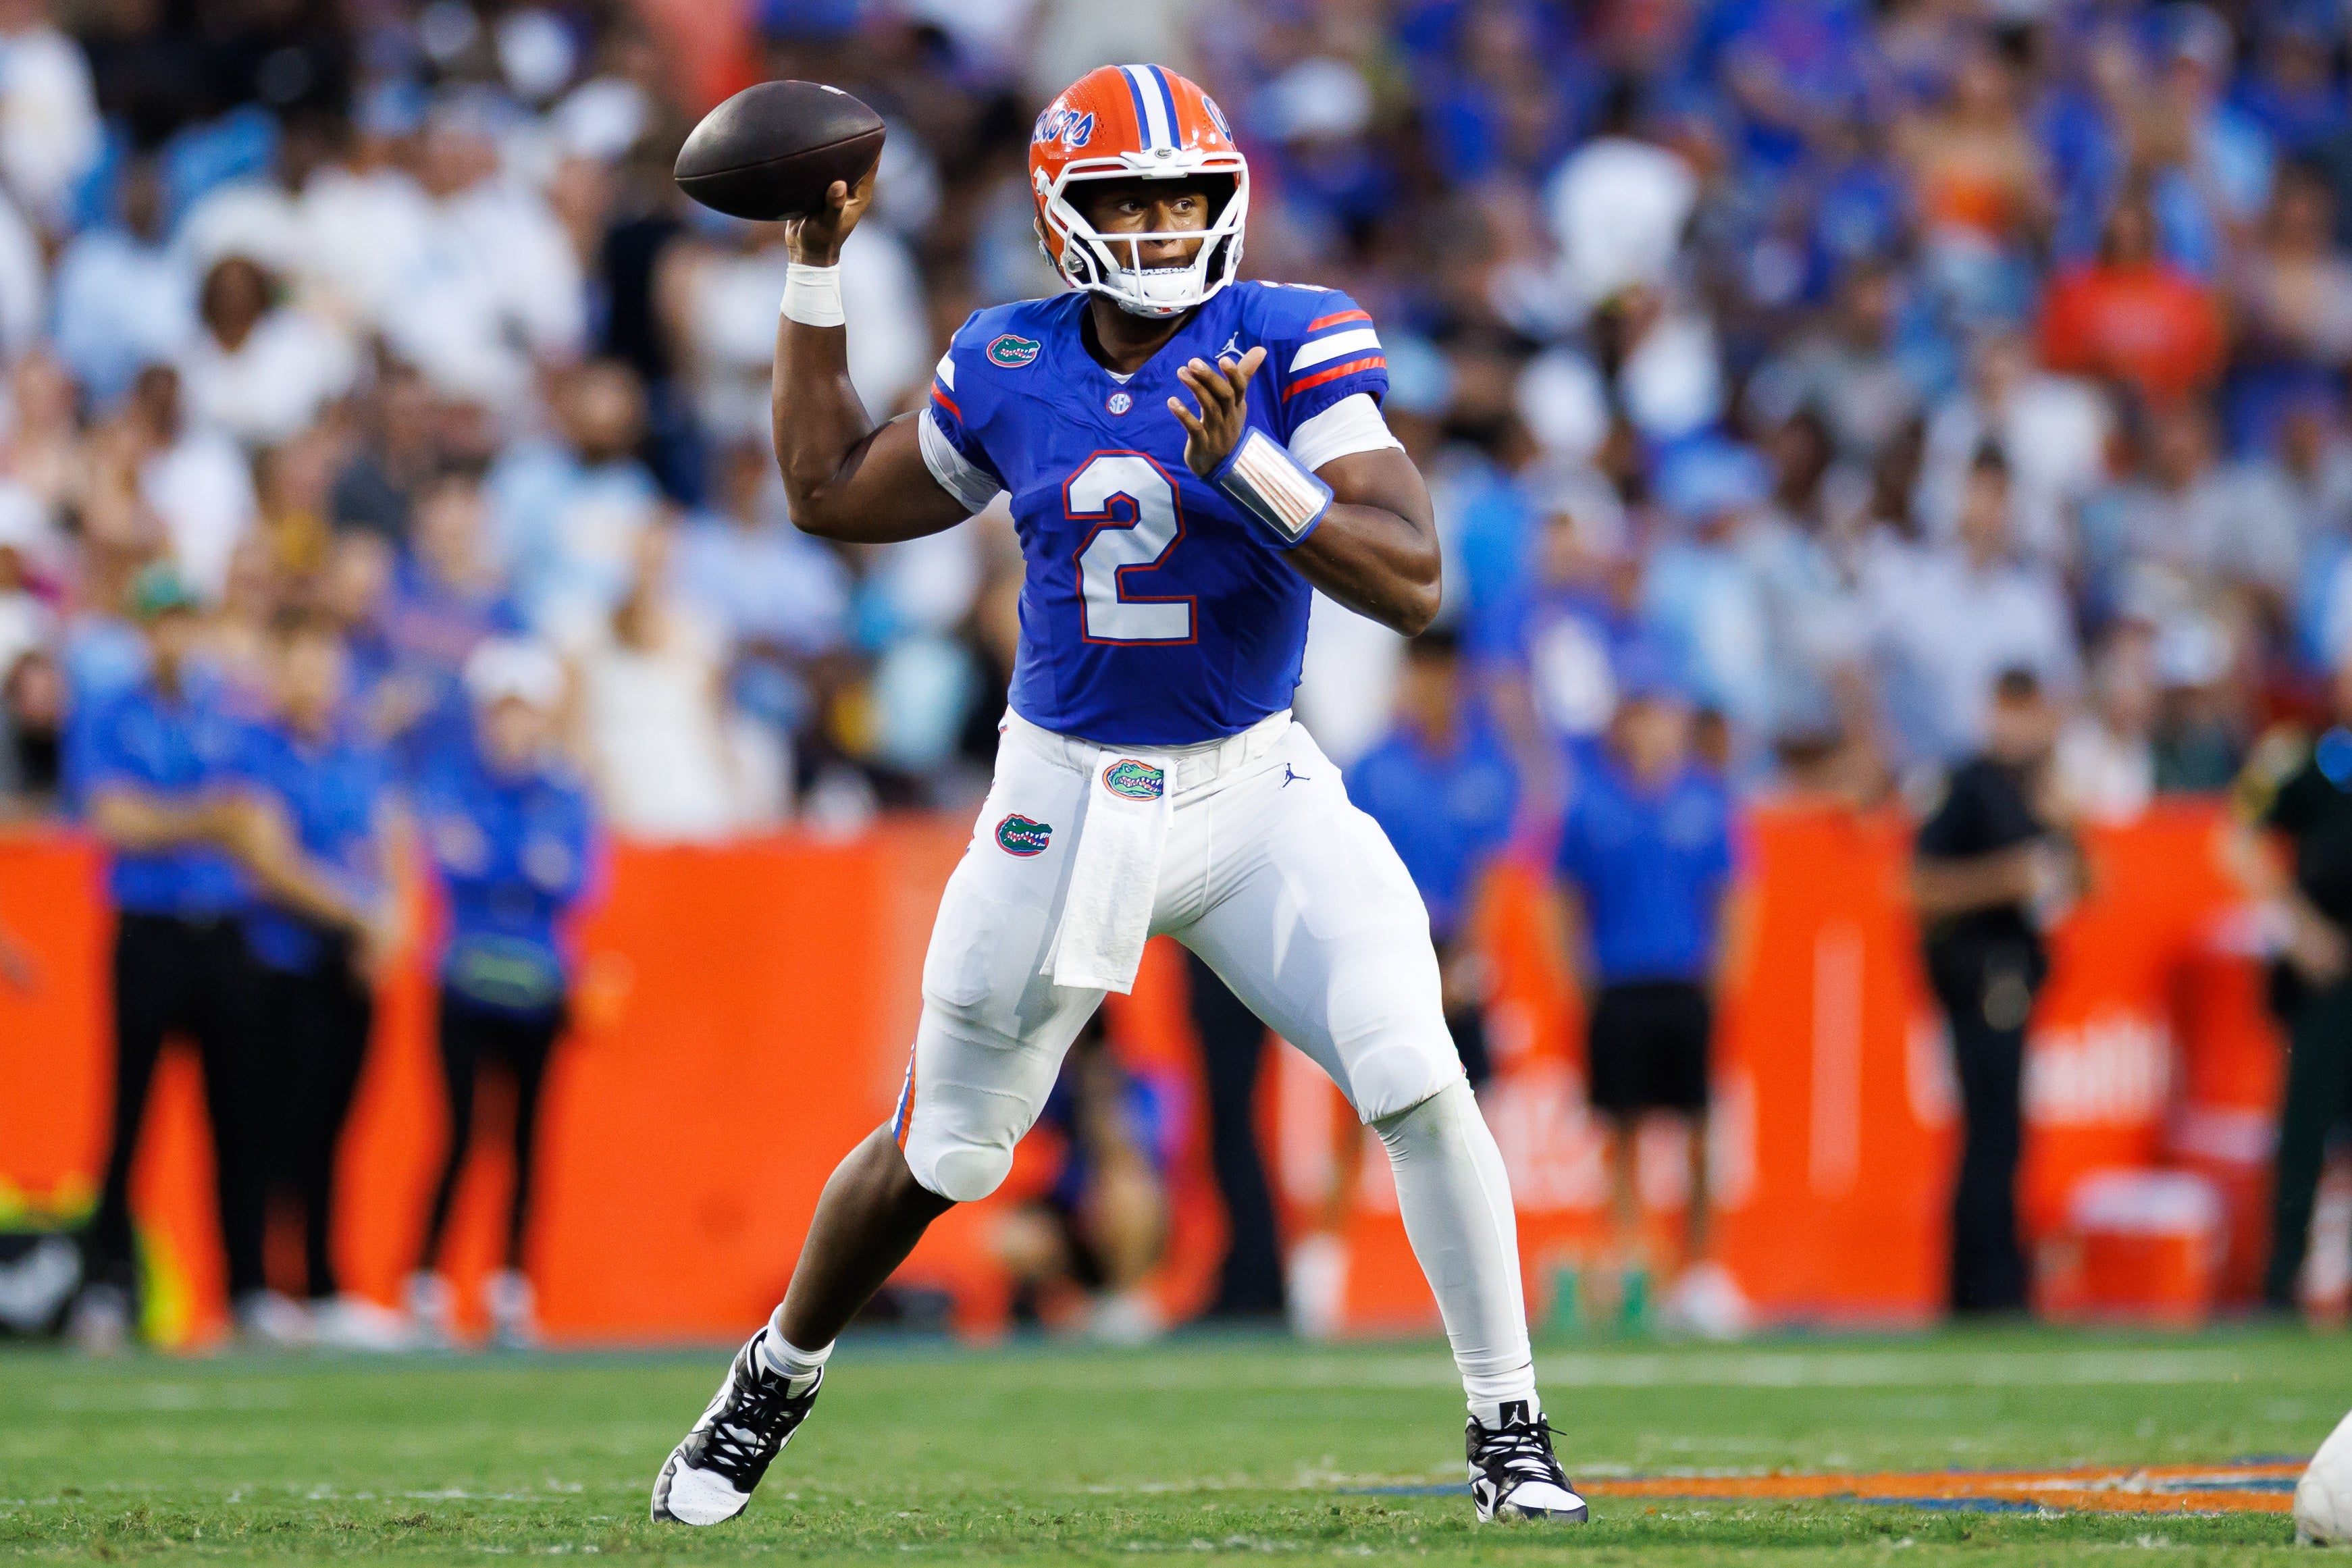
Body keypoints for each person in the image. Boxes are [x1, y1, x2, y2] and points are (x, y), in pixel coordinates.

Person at [651, 64, 1586, 1530]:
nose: (1157, 223)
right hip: (1063, 792)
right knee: (948, 1147)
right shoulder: (1006, 362)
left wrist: (1256, 472)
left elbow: (1412, 579)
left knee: (1414, 1071)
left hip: (1251, 786)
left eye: (1180, 195)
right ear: (1060, 214)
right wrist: (816, 268)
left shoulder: (1290, 336)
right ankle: (774, 1371)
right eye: (1125, 198)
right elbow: (830, 494)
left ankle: (1509, 1431)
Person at [66, 565, 318, 1349]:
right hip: (148, 929)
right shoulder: (111, 712)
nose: (174, 635)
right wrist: (208, 819)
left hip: (223, 929)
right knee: (129, 1114)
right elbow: (116, 820)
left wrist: (179, 818)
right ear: (143, 631)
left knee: (237, 1118)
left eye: (185, 619)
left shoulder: (230, 716)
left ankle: (244, 1286)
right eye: (161, 621)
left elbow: (257, 824)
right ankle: (106, 1284)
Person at [406, 637, 596, 1349]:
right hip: (465, 981)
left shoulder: (562, 793)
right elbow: (455, 867)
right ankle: (426, 1280)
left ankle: (511, 1284)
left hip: (538, 987)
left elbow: (576, 883)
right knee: (458, 1133)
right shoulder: (458, 782)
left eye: (525, 713)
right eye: (502, 713)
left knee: (526, 1141)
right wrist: (523, 869)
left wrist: (496, 864)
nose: (513, 727)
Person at [1552, 657, 1738, 1337]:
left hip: (1684, 983)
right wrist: (1579, 980)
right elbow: (1563, 900)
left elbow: (1732, 897)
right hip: (1620, 984)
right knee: (1623, 1134)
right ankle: (1635, 1268)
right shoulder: (1593, 803)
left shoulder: (1704, 800)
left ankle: (1698, 1273)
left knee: (1697, 1133)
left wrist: (1723, 981)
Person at [236, 612, 408, 1349]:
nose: (315, 678)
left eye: (325, 663)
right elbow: (269, 860)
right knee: (276, 1127)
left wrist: (392, 923)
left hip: (349, 963)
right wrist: (361, 913)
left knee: (334, 1127)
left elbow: (393, 840)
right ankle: (259, 1285)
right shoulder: (257, 751)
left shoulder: (357, 752)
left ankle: (321, 1281)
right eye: (301, 663)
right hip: (283, 960)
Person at [1911, 667, 2078, 1315]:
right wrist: (2004, 879)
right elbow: (1918, 884)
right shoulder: (1967, 786)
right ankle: (1979, 1290)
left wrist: (2069, 828)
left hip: (2021, 977)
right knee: (1986, 1135)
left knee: (2006, 1136)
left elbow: (2086, 884)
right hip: (1975, 974)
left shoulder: (2039, 791)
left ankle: (2004, 1282)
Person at [1349, 628, 1521, 1086]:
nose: (1431, 687)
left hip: (1455, 944)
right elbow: (1354, 872)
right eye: (1421, 672)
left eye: (1442, 673)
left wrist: (1464, 963)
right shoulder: (1372, 769)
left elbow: (1490, 875)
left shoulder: (1488, 767)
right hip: (1389, 943)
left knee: (1466, 1090)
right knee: (1371, 1088)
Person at [2237, 653, 2352, 1315]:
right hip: (2328, 968)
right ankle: (2282, 1277)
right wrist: (2300, 928)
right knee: (2306, 1126)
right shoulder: (2309, 761)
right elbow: (2240, 843)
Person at [987, 1009, 1169, 1340]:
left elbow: (1143, 1155)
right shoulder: (1060, 1087)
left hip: (1120, 1226)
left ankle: (1125, 1300)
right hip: (1071, 1218)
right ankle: (1058, 1310)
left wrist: (1104, 1102)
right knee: (1013, 1234)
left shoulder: (1140, 1087)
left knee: (1132, 1193)